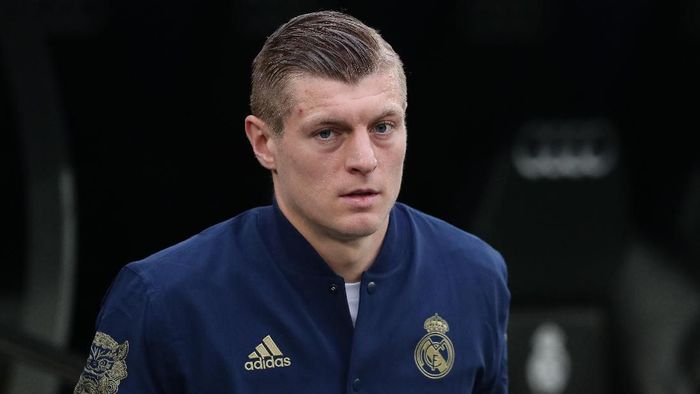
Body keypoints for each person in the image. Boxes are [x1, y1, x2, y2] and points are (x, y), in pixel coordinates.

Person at [74, 10, 510, 393]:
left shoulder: (475, 275)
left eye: (382, 127)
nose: (364, 160)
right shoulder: (163, 298)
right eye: (327, 133)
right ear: (263, 142)